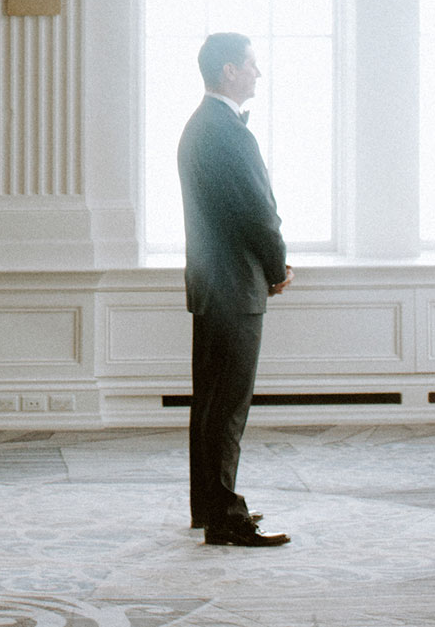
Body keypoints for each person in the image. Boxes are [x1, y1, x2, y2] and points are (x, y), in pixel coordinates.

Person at [176, 31, 292, 548]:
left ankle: (209, 506)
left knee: (210, 402)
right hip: (234, 286)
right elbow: (257, 214)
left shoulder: (200, 127)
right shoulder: (228, 132)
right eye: (250, 65)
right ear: (228, 71)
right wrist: (277, 267)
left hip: (211, 284)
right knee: (229, 406)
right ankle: (224, 516)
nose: (257, 74)